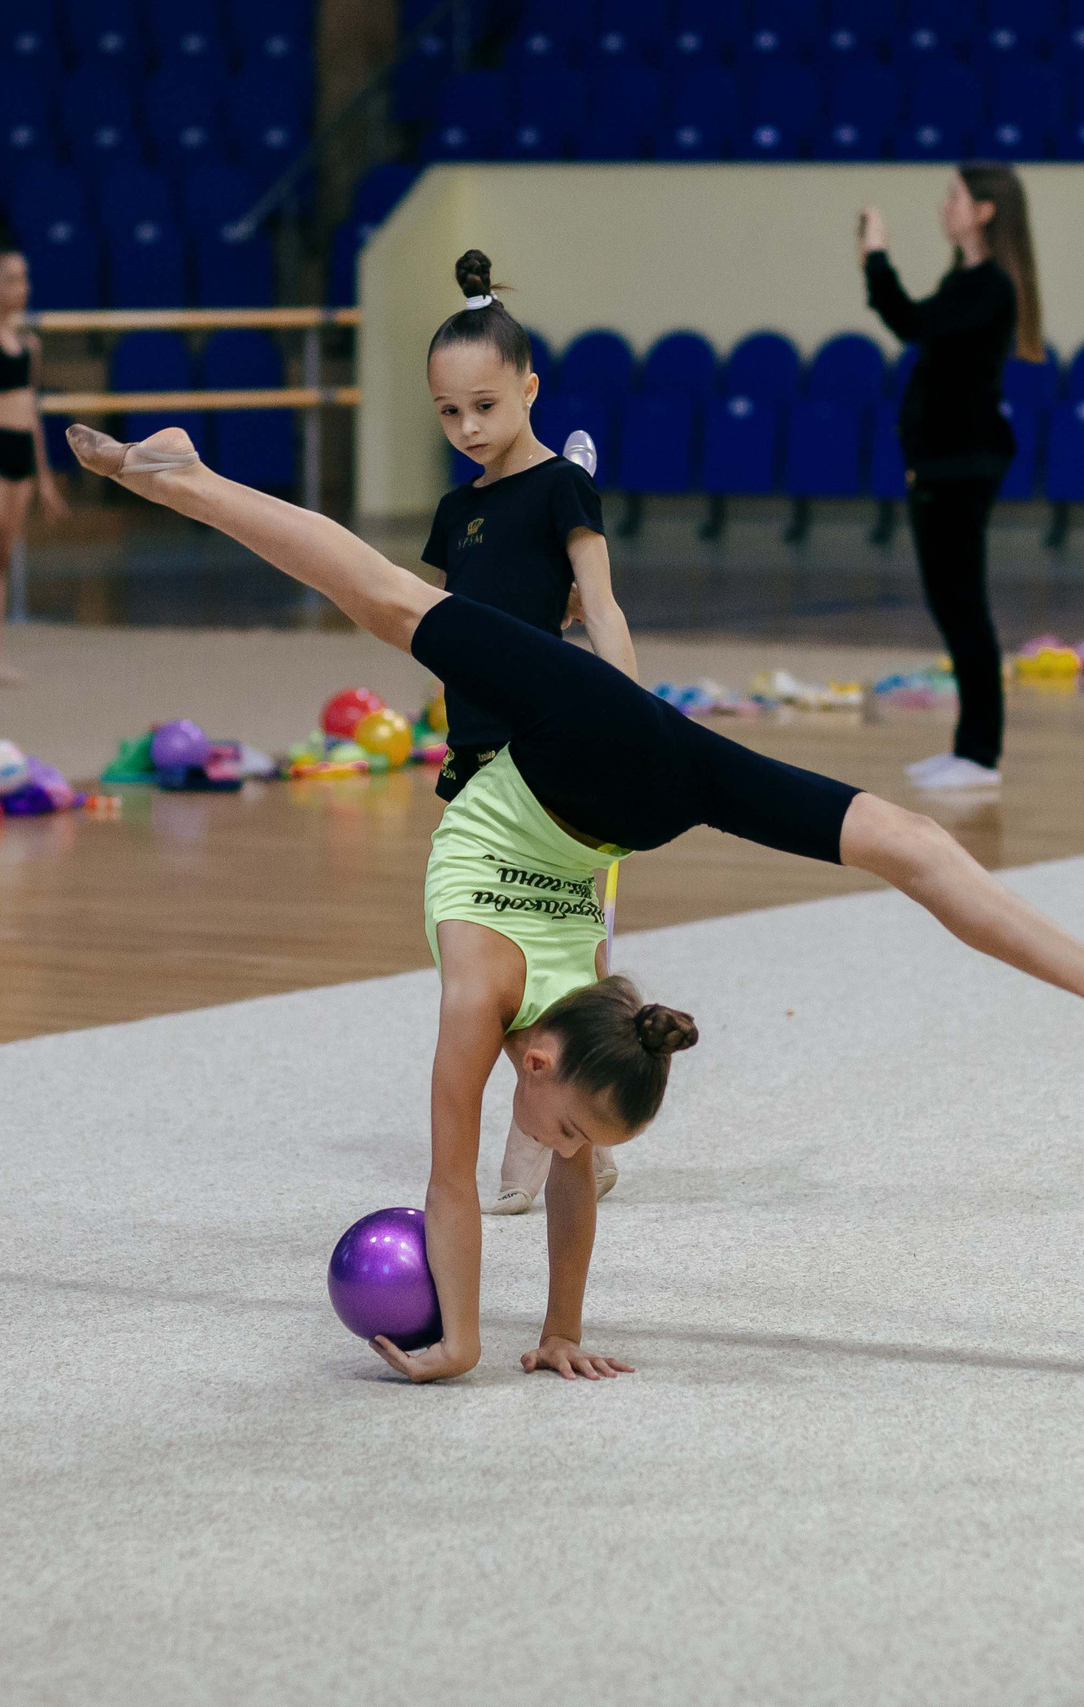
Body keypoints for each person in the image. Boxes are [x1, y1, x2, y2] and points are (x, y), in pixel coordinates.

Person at [62, 417, 1084, 1387]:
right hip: (604, 764)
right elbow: (499, 1179)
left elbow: (453, 1182)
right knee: (391, 603)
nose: (566, 1152)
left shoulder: (500, 1000)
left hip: (610, 772)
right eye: (578, 1134)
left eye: (572, 1137)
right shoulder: (551, 1017)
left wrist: (501, 1340)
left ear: (536, 1062)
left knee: (901, 840)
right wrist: (507, 1336)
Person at [415, 249, 641, 1219]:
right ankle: (568, 1122)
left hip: (550, 751)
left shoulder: (560, 491)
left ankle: (555, 1126)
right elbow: (444, 623)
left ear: (529, 389)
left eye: (486, 406)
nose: (468, 428)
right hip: (476, 758)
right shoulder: (453, 512)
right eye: (449, 412)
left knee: (565, 950)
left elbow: (601, 606)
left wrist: (631, 721)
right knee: (480, 940)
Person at [861, 162, 1045, 795]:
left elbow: (909, 322)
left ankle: (980, 753)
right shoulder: (966, 280)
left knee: (962, 605)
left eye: (955, 197)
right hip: (943, 463)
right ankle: (968, 747)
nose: (946, 206)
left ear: (985, 211)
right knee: (952, 604)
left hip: (962, 466)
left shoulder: (989, 286)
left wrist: (876, 257)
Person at [0, 242, 66, 684]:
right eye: (10, 279)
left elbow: (32, 412)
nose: (20, 288)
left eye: (23, 279)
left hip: (22, 450)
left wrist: (45, 478)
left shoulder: (28, 344)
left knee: (3, 553)